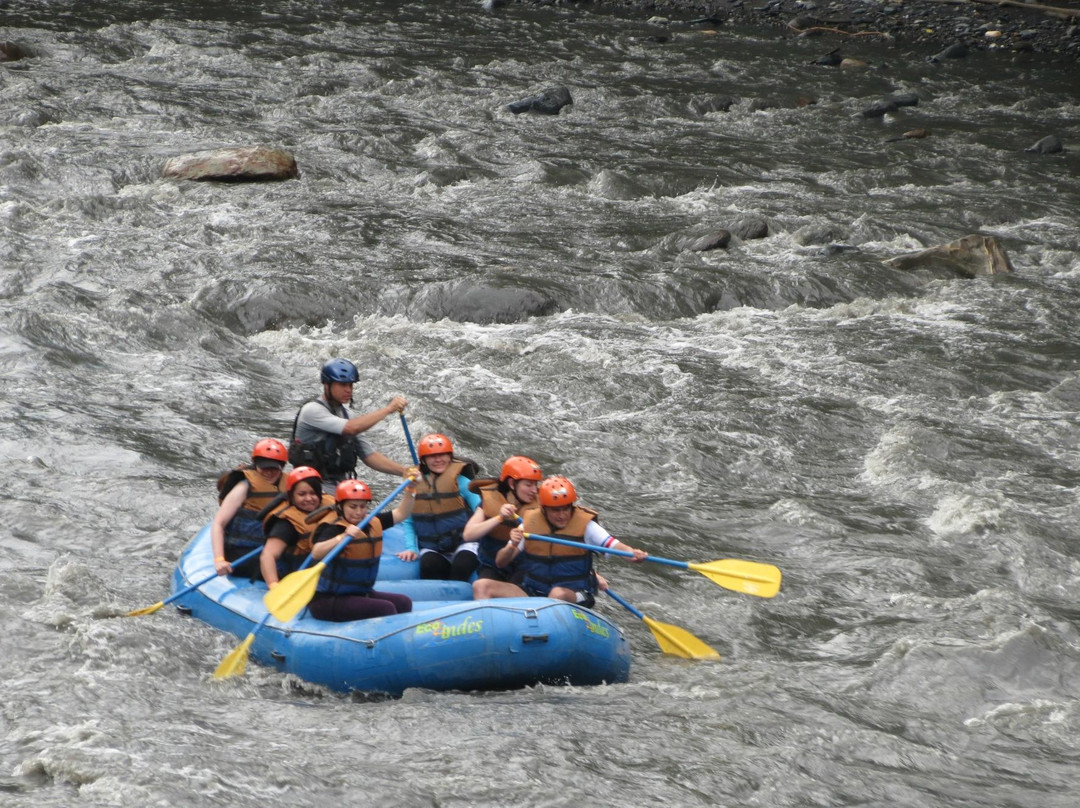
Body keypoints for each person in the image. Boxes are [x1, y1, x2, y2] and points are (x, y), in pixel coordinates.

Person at [474, 475, 647, 607]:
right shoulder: (529, 523)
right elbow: (501, 562)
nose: (562, 515)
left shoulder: (586, 526)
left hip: (574, 593)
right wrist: (512, 544)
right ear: (544, 509)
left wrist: (633, 554)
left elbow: (615, 546)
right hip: (533, 592)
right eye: (556, 510)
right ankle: (485, 638)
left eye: (566, 509)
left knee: (557, 594)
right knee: (481, 586)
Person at [306, 477, 417, 621]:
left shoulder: (370, 522)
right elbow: (317, 552)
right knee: (385, 609)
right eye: (353, 507)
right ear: (340, 507)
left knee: (404, 603)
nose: (358, 512)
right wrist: (342, 537)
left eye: (362, 506)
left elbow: (402, 513)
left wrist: (411, 489)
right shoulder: (332, 528)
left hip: (359, 593)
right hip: (328, 600)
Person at [288, 358, 412, 486]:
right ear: (327, 385)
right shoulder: (312, 411)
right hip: (311, 487)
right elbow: (351, 428)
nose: (348, 390)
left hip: (340, 486)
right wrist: (388, 409)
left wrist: (405, 471)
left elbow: (369, 456)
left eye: (350, 385)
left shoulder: (348, 415)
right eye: (342, 385)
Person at [408, 433, 482, 581]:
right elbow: (408, 521)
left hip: (464, 543)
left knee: (462, 565)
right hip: (433, 548)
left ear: (450, 457)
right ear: (423, 460)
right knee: (429, 565)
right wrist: (411, 547)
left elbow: (481, 509)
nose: (438, 460)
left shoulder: (462, 482)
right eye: (432, 456)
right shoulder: (415, 485)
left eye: (442, 455)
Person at [210, 438, 288, 579]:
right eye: (264, 467)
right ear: (256, 465)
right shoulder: (244, 486)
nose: (269, 472)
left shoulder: (290, 486)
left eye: (273, 468)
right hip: (243, 553)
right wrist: (219, 560)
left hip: (276, 551)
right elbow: (218, 523)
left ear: (281, 467)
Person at [466, 455, 542, 598]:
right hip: (492, 566)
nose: (534, 490)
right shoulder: (490, 501)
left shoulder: (541, 507)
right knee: (482, 585)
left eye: (535, 485)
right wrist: (499, 518)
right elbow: (468, 534)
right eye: (528, 485)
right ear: (512, 484)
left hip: (524, 568)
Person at [260, 466, 337, 588]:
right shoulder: (286, 523)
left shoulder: (330, 506)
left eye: (313, 493)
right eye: (302, 494)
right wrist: (273, 585)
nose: (308, 498)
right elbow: (268, 555)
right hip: (294, 578)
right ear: (292, 496)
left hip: (325, 574)